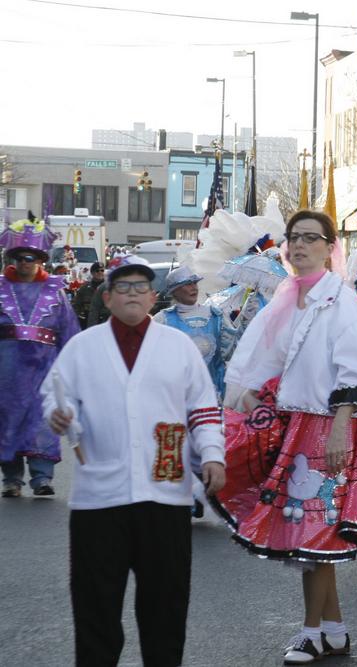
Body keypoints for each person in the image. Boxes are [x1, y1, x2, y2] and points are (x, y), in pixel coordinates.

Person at [219, 210, 357, 664]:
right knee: (312, 533)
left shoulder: (345, 303)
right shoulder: (287, 297)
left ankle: (311, 633)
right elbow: (266, 358)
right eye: (293, 238)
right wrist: (252, 395)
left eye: (310, 239)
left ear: (330, 247)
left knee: (314, 534)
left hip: (332, 427)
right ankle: (334, 630)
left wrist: (339, 430)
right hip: (297, 426)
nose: (298, 246)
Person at [41, 253, 226, 667]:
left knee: (165, 607)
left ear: (152, 296)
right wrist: (58, 414)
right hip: (98, 500)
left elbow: (202, 407)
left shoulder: (177, 346)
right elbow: (54, 395)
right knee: (95, 608)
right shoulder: (82, 348)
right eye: (123, 287)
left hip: (165, 496)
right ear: (107, 298)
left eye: (141, 287)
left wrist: (213, 455)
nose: (132, 294)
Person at [0, 217, 79, 497]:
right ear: (13, 258)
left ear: (40, 260)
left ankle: (42, 478)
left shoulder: (55, 292)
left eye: (31, 257)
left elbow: (69, 330)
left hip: (45, 366)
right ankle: (11, 479)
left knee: (42, 420)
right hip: (6, 369)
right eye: (20, 257)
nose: (25, 262)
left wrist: (72, 366)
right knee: (7, 421)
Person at [153, 266, 228, 396]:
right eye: (188, 284)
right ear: (175, 291)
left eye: (195, 283)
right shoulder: (162, 319)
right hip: (177, 395)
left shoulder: (216, 316)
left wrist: (245, 321)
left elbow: (231, 351)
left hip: (213, 393)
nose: (194, 287)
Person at [72, 262, 104, 328]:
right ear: (92, 273)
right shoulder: (84, 288)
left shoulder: (109, 287)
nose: (100, 272)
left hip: (104, 321)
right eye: (97, 271)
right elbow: (76, 305)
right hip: (88, 321)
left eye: (102, 270)